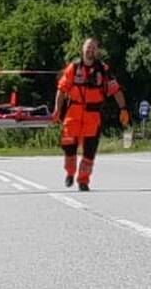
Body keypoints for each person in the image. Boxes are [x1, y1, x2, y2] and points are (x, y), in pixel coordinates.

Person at [53, 38, 129, 191]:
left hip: (92, 117)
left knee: (89, 152)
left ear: (97, 51)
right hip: (73, 114)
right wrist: (57, 110)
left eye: (94, 48)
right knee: (69, 147)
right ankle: (70, 172)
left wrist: (123, 108)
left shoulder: (103, 70)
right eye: (88, 47)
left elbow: (116, 90)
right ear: (82, 49)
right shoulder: (73, 68)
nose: (90, 50)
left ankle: (83, 180)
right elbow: (61, 90)